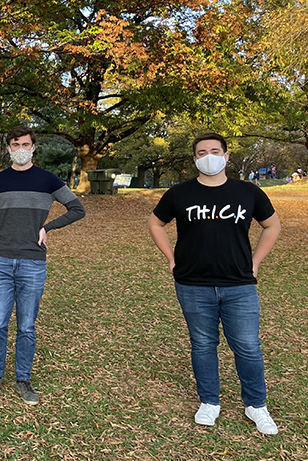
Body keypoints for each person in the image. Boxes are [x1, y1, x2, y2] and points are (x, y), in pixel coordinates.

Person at [148, 133, 281, 435]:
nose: (209, 156)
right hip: (193, 283)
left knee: (247, 346)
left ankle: (256, 405)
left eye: (215, 150)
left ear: (226, 156)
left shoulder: (248, 192)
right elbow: (156, 222)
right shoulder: (179, 193)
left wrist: (255, 262)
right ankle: (209, 401)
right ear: (195, 158)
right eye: (202, 152)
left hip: (239, 285)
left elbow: (272, 225)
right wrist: (171, 257)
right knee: (203, 344)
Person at [0, 125, 85, 405]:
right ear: (9, 148)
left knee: (26, 326)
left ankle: (23, 379)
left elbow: (77, 209)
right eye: (15, 145)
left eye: (26, 144)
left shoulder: (48, 180)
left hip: (33, 263)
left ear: (34, 147)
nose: (21, 149)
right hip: (0, 261)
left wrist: (48, 227)